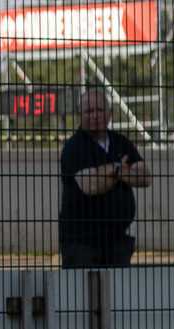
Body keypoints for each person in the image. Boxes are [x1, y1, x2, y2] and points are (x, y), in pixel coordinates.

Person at [58, 88, 153, 267]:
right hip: (81, 245)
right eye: (89, 111)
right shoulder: (74, 147)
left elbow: (144, 177)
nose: (95, 116)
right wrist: (120, 170)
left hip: (118, 243)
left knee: (118, 293)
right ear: (80, 114)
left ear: (109, 113)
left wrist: (109, 172)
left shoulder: (121, 142)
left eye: (100, 110)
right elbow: (90, 185)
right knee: (81, 293)